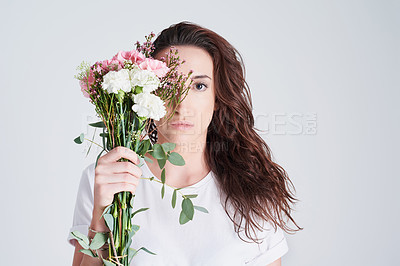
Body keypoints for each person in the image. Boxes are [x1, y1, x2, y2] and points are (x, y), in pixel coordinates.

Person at [68, 21, 302, 266]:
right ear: (146, 94)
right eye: (168, 86)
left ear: (217, 99)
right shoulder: (108, 176)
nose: (181, 104)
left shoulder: (252, 186)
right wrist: (100, 218)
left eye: (199, 86)